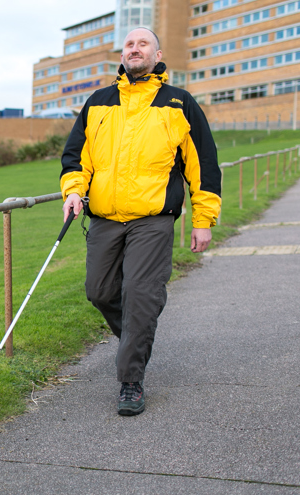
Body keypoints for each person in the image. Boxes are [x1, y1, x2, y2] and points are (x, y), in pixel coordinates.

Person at [60, 27, 221, 416]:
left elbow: (204, 165)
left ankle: (130, 379)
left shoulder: (179, 103)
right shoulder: (98, 102)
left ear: (157, 53)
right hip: (104, 218)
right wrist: (72, 190)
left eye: (142, 43)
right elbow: (76, 157)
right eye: (129, 44)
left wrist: (204, 219)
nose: (135, 49)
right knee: (99, 291)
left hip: (153, 218)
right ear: (122, 55)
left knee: (140, 293)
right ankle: (137, 331)